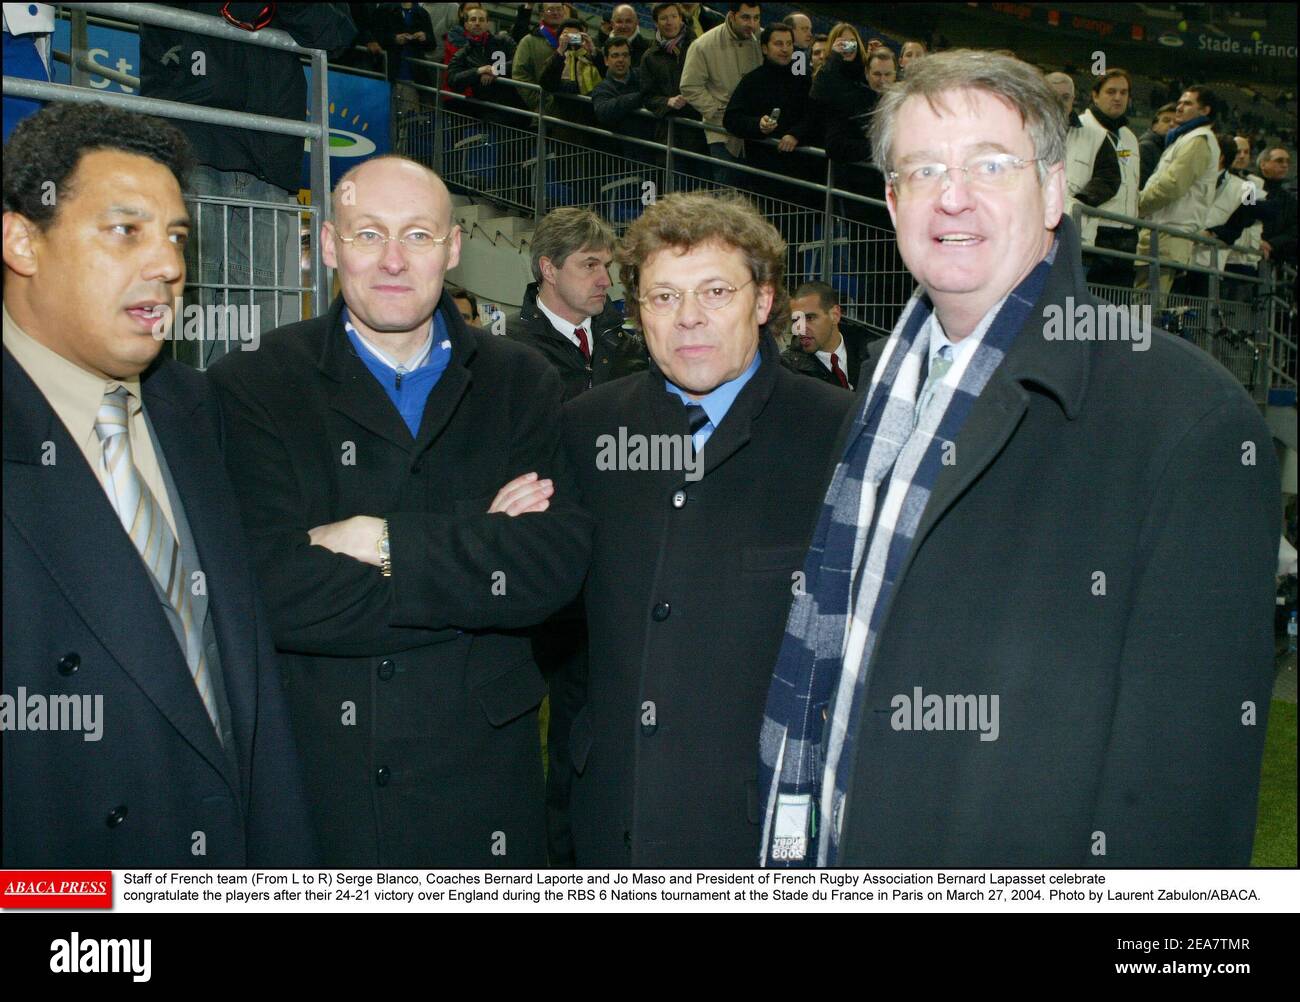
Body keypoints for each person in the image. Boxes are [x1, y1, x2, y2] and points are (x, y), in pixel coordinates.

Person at [759, 50, 1278, 868]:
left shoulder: (1186, 422)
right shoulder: (883, 395)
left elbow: (1182, 805)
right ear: (891, 201)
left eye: (989, 165)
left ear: (1053, 190)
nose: (952, 195)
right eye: (922, 169)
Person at [208, 156, 593, 867]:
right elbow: (269, 589)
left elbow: (552, 569)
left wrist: (376, 541)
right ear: (328, 244)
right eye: (367, 235)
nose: (392, 261)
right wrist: (480, 546)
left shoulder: (520, 381)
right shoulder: (254, 383)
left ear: (453, 249)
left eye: (417, 236)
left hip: (483, 797)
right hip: (323, 785)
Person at [2, 102, 314, 868]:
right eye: (125, 230)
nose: (170, 264)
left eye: (177, 236)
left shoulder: (196, 411)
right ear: (21, 241)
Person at [559, 192, 851, 866]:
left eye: (715, 291)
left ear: (762, 301)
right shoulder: (586, 428)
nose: (688, 318)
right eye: (662, 298)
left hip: (757, 831)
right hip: (613, 823)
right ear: (637, 314)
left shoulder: (837, 433)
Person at [139, 4, 355, 353]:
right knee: (185, 298)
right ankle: (173, 404)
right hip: (193, 144)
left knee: (255, 319)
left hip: (270, 156)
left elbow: (335, 33)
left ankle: (239, 404)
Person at [1137, 86, 1220, 293]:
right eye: (1180, 102)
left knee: (1148, 304)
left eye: (1188, 103)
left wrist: (1136, 205)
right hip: (1162, 229)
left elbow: (1171, 186)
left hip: (1169, 232)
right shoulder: (1184, 138)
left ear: (1205, 110)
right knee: (1144, 301)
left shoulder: (1198, 140)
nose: (1180, 107)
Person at [722, 24, 816, 193]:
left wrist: (796, 134)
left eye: (789, 43)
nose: (785, 49)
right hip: (763, 173)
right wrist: (758, 125)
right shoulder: (752, 80)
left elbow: (815, 115)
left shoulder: (804, 78)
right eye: (778, 44)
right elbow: (731, 119)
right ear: (765, 48)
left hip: (803, 173)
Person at [680, 2, 762, 185]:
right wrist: (718, 111)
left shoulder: (763, 38)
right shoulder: (703, 45)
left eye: (756, 18)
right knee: (726, 193)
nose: (752, 24)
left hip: (755, 129)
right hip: (721, 133)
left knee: (754, 194)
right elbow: (689, 86)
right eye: (746, 17)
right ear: (732, 16)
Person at [1079, 69, 1140, 287]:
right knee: (1084, 308)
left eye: (1123, 93)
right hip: (1094, 231)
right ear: (1095, 95)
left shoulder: (1130, 137)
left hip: (1126, 236)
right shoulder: (1080, 129)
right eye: (1111, 92)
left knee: (1115, 311)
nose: (1118, 98)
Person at [641, 2, 708, 173]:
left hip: (700, 132)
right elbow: (647, 96)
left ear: (681, 18)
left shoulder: (699, 46)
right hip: (669, 136)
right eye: (663, 18)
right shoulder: (649, 57)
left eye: (673, 16)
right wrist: (667, 101)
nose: (669, 22)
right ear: (656, 22)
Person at [781, 281, 863, 389]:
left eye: (810, 318)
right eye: (796, 320)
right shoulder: (787, 370)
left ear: (835, 315)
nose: (800, 329)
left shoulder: (871, 352)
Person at [592, 37, 650, 139]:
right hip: (617, 148)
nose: (621, 60)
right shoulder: (602, 88)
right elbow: (603, 112)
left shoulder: (643, 76)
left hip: (647, 144)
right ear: (606, 60)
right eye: (615, 56)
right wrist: (640, 97)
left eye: (625, 55)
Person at [1258, 147, 1296, 267]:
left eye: (1287, 162)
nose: (1285, 165)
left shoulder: (1288, 199)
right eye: (1279, 161)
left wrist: (1272, 244)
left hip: (1274, 257)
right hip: (1247, 252)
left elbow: (1294, 228)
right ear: (1263, 164)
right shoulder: (1249, 188)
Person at [595, 3, 650, 69]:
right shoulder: (597, 44)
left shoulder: (648, 49)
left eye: (628, 21)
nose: (623, 26)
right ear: (612, 24)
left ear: (636, 23)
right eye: (619, 21)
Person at [1138, 103, 1176, 186]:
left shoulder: (1173, 148)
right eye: (1166, 121)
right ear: (1154, 126)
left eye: (1176, 122)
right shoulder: (1146, 148)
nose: (1171, 124)